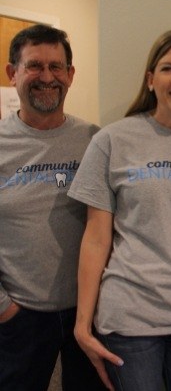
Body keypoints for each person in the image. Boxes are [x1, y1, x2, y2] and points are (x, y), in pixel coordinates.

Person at [67, 30, 171, 391]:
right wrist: (82, 322)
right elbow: (95, 237)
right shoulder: (112, 140)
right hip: (130, 320)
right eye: (168, 68)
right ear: (151, 80)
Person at [0, 24, 105, 390]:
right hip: (19, 315)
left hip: (89, 311)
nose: (47, 78)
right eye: (34, 66)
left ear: (70, 75)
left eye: (56, 67)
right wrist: (4, 308)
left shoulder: (96, 140)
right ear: (13, 73)